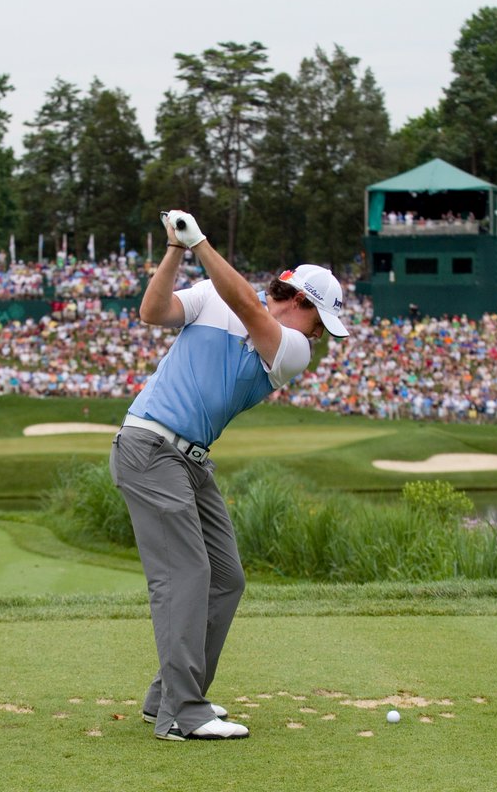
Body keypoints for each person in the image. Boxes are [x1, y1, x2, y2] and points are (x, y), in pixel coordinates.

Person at [109, 209, 349, 741]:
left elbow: (246, 303)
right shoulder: (212, 295)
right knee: (188, 576)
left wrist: (201, 243)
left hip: (190, 461)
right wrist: (176, 249)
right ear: (301, 302)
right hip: (148, 446)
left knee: (226, 577)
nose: (322, 337)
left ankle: (167, 696)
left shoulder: (292, 350)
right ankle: (182, 713)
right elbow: (153, 311)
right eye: (319, 321)